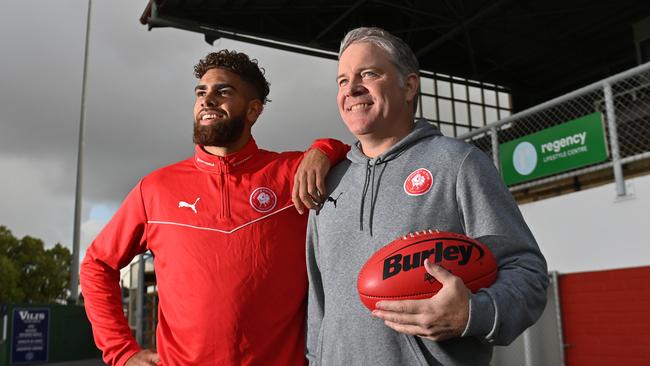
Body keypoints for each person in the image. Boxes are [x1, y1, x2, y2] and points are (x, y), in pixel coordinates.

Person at [80, 50, 349, 366]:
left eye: (223, 92)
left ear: (253, 110)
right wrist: (122, 351)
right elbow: (97, 264)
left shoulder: (291, 173)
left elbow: (356, 154)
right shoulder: (155, 188)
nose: (207, 100)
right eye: (201, 93)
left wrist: (325, 150)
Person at [306, 27, 548, 365]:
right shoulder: (328, 183)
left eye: (368, 74)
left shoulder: (458, 163)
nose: (352, 88)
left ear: (408, 86)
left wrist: (472, 313)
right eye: (342, 81)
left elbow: (528, 273)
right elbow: (320, 305)